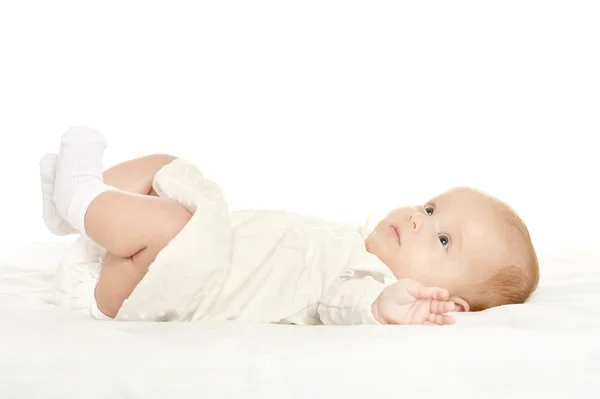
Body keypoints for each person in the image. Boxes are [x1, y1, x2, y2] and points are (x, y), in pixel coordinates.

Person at [40, 126, 539, 325]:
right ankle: (79, 210)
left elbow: (343, 307)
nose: (417, 219)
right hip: (153, 257)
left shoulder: (368, 281)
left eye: (443, 239)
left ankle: (81, 197)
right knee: (173, 171)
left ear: (444, 299)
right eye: (431, 209)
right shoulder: (343, 240)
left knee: (179, 225)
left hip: (155, 290)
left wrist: (384, 308)